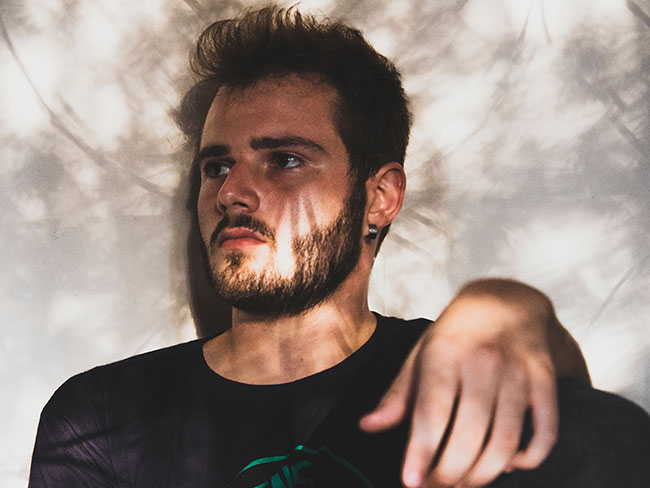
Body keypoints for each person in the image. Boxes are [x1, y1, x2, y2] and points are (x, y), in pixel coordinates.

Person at [29, 6, 649, 488]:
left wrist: (522, 311)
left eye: (286, 159)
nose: (232, 192)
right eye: (216, 166)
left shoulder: (455, 376)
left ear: (379, 196)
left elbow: (590, 444)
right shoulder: (101, 417)